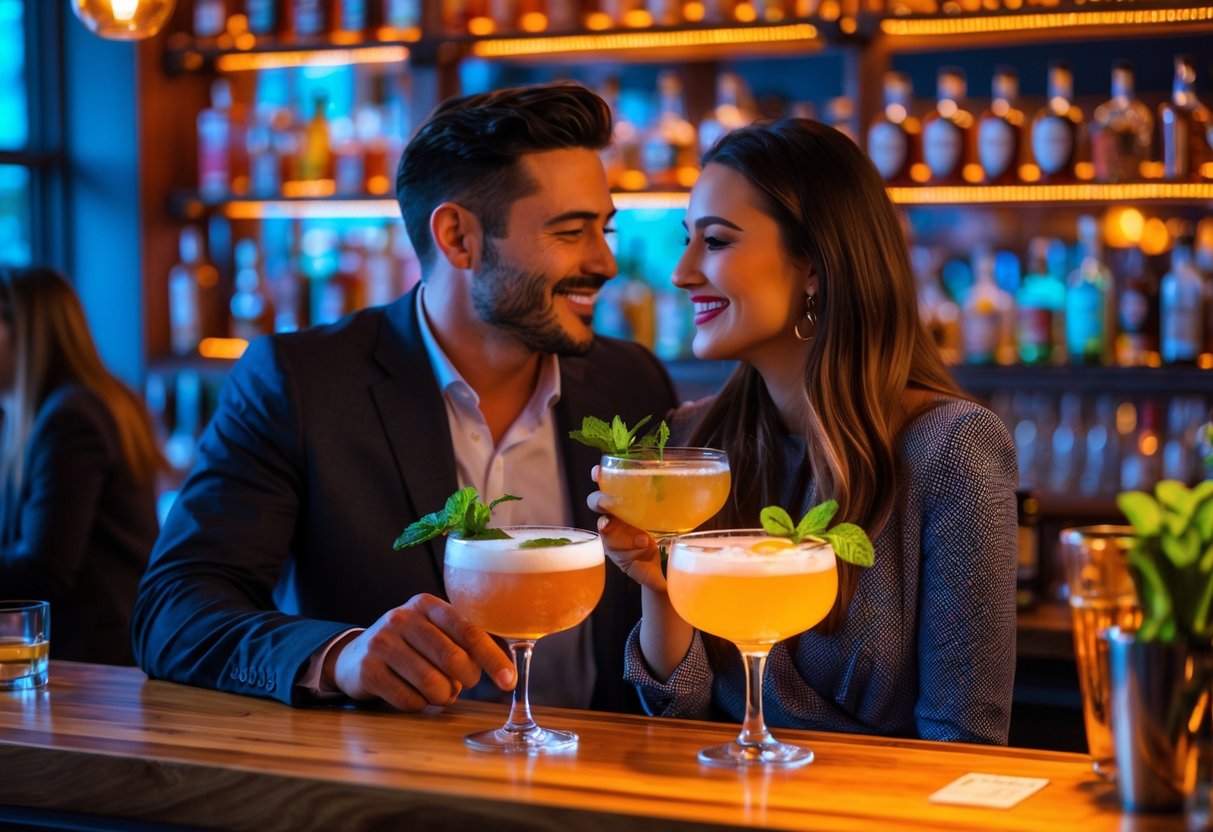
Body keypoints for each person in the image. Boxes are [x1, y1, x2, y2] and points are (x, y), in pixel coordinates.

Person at [132, 83, 679, 713]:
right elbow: (173, 612)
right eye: (572, 231)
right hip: (393, 769)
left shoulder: (631, 381)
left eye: (605, 229)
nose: (605, 262)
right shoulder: (301, 382)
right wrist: (340, 656)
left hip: (598, 765)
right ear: (457, 238)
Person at [591, 119, 1018, 744]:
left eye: (715, 241)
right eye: (687, 241)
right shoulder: (693, 442)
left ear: (814, 267)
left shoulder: (951, 447)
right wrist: (658, 588)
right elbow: (678, 717)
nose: (681, 273)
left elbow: (966, 739)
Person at [0, 267, 163, 665]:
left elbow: (45, 570)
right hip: (103, 654)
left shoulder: (70, 418)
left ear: (24, 332)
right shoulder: (85, 402)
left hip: (95, 665)